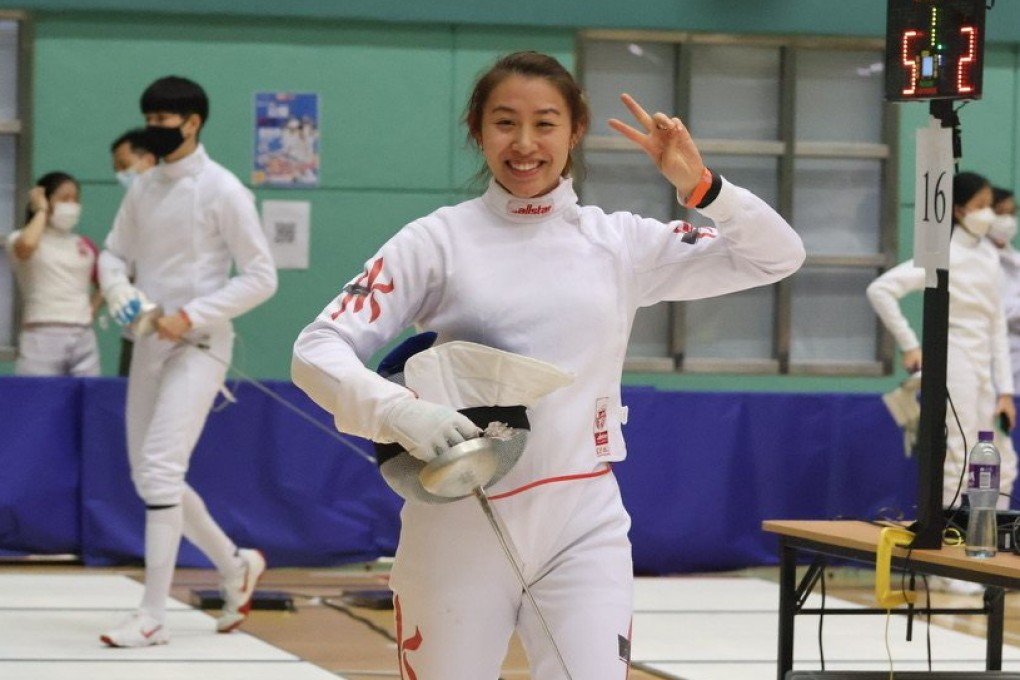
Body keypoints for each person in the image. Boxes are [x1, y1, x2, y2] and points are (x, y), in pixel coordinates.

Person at [291, 51, 805, 679]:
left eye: (546, 123)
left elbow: (776, 256)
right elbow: (316, 347)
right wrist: (397, 411)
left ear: (575, 131)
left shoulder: (621, 243)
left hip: (582, 521)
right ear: (478, 130)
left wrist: (704, 188)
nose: (525, 144)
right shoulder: (436, 242)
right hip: (457, 523)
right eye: (505, 123)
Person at [97, 75, 278, 647]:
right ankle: (234, 564)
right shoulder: (143, 188)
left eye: (163, 119)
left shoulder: (224, 190)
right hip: (147, 342)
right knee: (152, 473)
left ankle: (153, 614)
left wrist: (193, 313)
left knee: (158, 470)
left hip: (199, 345)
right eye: (148, 117)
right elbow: (111, 253)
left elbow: (261, 276)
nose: (153, 128)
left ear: (192, 123)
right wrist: (120, 292)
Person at [867, 171, 1017, 514]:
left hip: (983, 369)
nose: (989, 214)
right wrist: (910, 344)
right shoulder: (941, 255)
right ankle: (943, 554)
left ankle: (992, 535)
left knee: (1002, 458)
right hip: (955, 362)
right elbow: (881, 290)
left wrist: (1005, 391)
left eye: (988, 205)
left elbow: (996, 327)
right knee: (958, 457)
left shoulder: (989, 256)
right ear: (960, 210)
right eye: (980, 206)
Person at [5, 171, 102, 376]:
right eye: (64, 198)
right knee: (38, 400)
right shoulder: (18, 238)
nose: (71, 204)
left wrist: (89, 311)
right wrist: (40, 209)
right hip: (41, 333)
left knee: (86, 400)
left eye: (75, 199)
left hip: (83, 334)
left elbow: (103, 283)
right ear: (47, 200)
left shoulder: (84, 244)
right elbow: (27, 245)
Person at [109, 128, 158, 376]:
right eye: (115, 168)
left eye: (124, 165)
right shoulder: (130, 212)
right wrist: (116, 289)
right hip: (137, 331)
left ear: (148, 160)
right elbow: (115, 259)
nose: (119, 174)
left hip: (182, 331)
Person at [991, 186, 1020, 394]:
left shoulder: (1016, 260)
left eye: (1011, 213)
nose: (1007, 220)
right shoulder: (969, 258)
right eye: (1000, 213)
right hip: (987, 358)